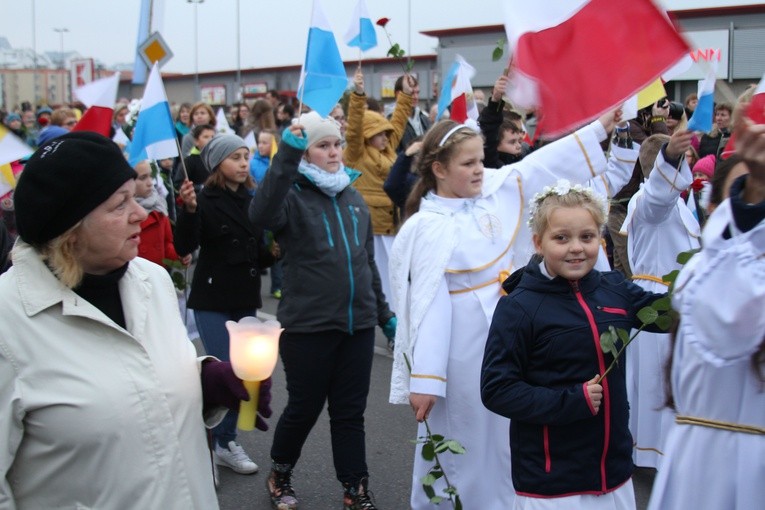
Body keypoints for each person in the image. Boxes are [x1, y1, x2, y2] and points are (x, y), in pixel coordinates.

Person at [0, 131, 249, 509]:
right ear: (69, 229)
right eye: (120, 204)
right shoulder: (8, 321)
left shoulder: (152, 280)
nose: (141, 213)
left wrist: (205, 381)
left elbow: (136, 380)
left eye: (135, 195)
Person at [388, 110, 620, 509]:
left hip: (513, 333)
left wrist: (598, 128)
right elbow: (428, 307)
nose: (480, 169)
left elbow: (538, 165)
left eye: (481, 159)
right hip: (464, 349)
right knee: (470, 430)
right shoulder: (427, 227)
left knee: (511, 428)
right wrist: (426, 378)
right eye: (468, 163)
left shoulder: (496, 187)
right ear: (439, 169)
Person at [481, 182, 666, 509]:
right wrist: (570, 401)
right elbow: (497, 388)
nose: (576, 248)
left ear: (601, 239)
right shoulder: (520, 306)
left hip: (615, 475)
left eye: (587, 237)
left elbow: (667, 316)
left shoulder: (614, 289)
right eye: (561, 238)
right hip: (554, 482)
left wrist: (704, 284)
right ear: (539, 242)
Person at [249, 112, 397, 510]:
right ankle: (280, 473)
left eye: (336, 144)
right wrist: (286, 157)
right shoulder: (290, 195)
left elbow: (366, 264)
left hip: (359, 326)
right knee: (303, 408)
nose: (333, 153)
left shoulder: (353, 198)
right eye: (322, 145)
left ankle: (355, 489)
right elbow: (260, 215)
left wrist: (386, 317)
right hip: (308, 327)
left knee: (350, 414)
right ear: (306, 152)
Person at [647, 110, 765, 510]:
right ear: (714, 205)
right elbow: (732, 293)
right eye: (740, 193)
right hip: (698, 462)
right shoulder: (705, 270)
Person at [175, 133, 275, 477]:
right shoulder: (204, 198)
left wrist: (274, 251)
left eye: (246, 155)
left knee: (248, 371)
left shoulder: (253, 198)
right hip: (212, 298)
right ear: (218, 164)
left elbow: (258, 255)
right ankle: (218, 440)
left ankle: (225, 440)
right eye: (235, 157)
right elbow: (184, 244)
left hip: (245, 296)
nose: (244, 162)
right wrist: (187, 210)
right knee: (227, 372)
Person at [620, 129, 698, 469]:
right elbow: (658, 200)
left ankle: (666, 449)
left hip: (674, 296)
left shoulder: (678, 203)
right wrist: (670, 156)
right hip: (657, 300)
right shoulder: (649, 201)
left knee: (667, 378)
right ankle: (657, 452)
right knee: (656, 379)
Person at [344, 68, 413, 322]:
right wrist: (358, 94)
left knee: (397, 279)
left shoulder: (388, 150)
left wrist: (405, 95)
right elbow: (353, 128)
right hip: (372, 226)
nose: (385, 137)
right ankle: (389, 323)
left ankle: (396, 323)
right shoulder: (355, 153)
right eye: (379, 134)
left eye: (385, 133)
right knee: (381, 280)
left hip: (393, 223)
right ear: (367, 135)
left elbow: (398, 122)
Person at [134, 159, 190, 268]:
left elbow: (166, 244)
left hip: (157, 275)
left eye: (151, 176)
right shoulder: (123, 212)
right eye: (143, 178)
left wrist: (179, 256)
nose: (150, 183)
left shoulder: (159, 205)